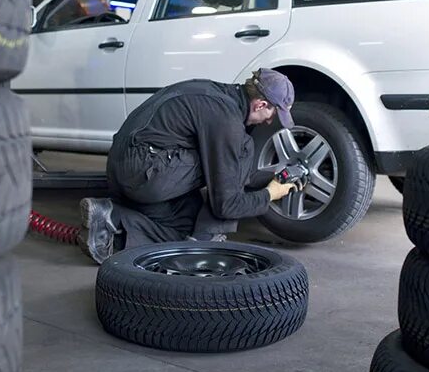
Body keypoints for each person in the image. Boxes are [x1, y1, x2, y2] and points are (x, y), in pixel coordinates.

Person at [77, 68, 298, 264]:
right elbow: (226, 204)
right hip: (143, 172)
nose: (270, 122)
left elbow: (231, 173)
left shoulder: (214, 92)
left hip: (125, 168)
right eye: (273, 114)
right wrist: (269, 195)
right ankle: (207, 241)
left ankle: (111, 220)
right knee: (243, 147)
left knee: (187, 225)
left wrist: (273, 178)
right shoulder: (227, 121)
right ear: (260, 104)